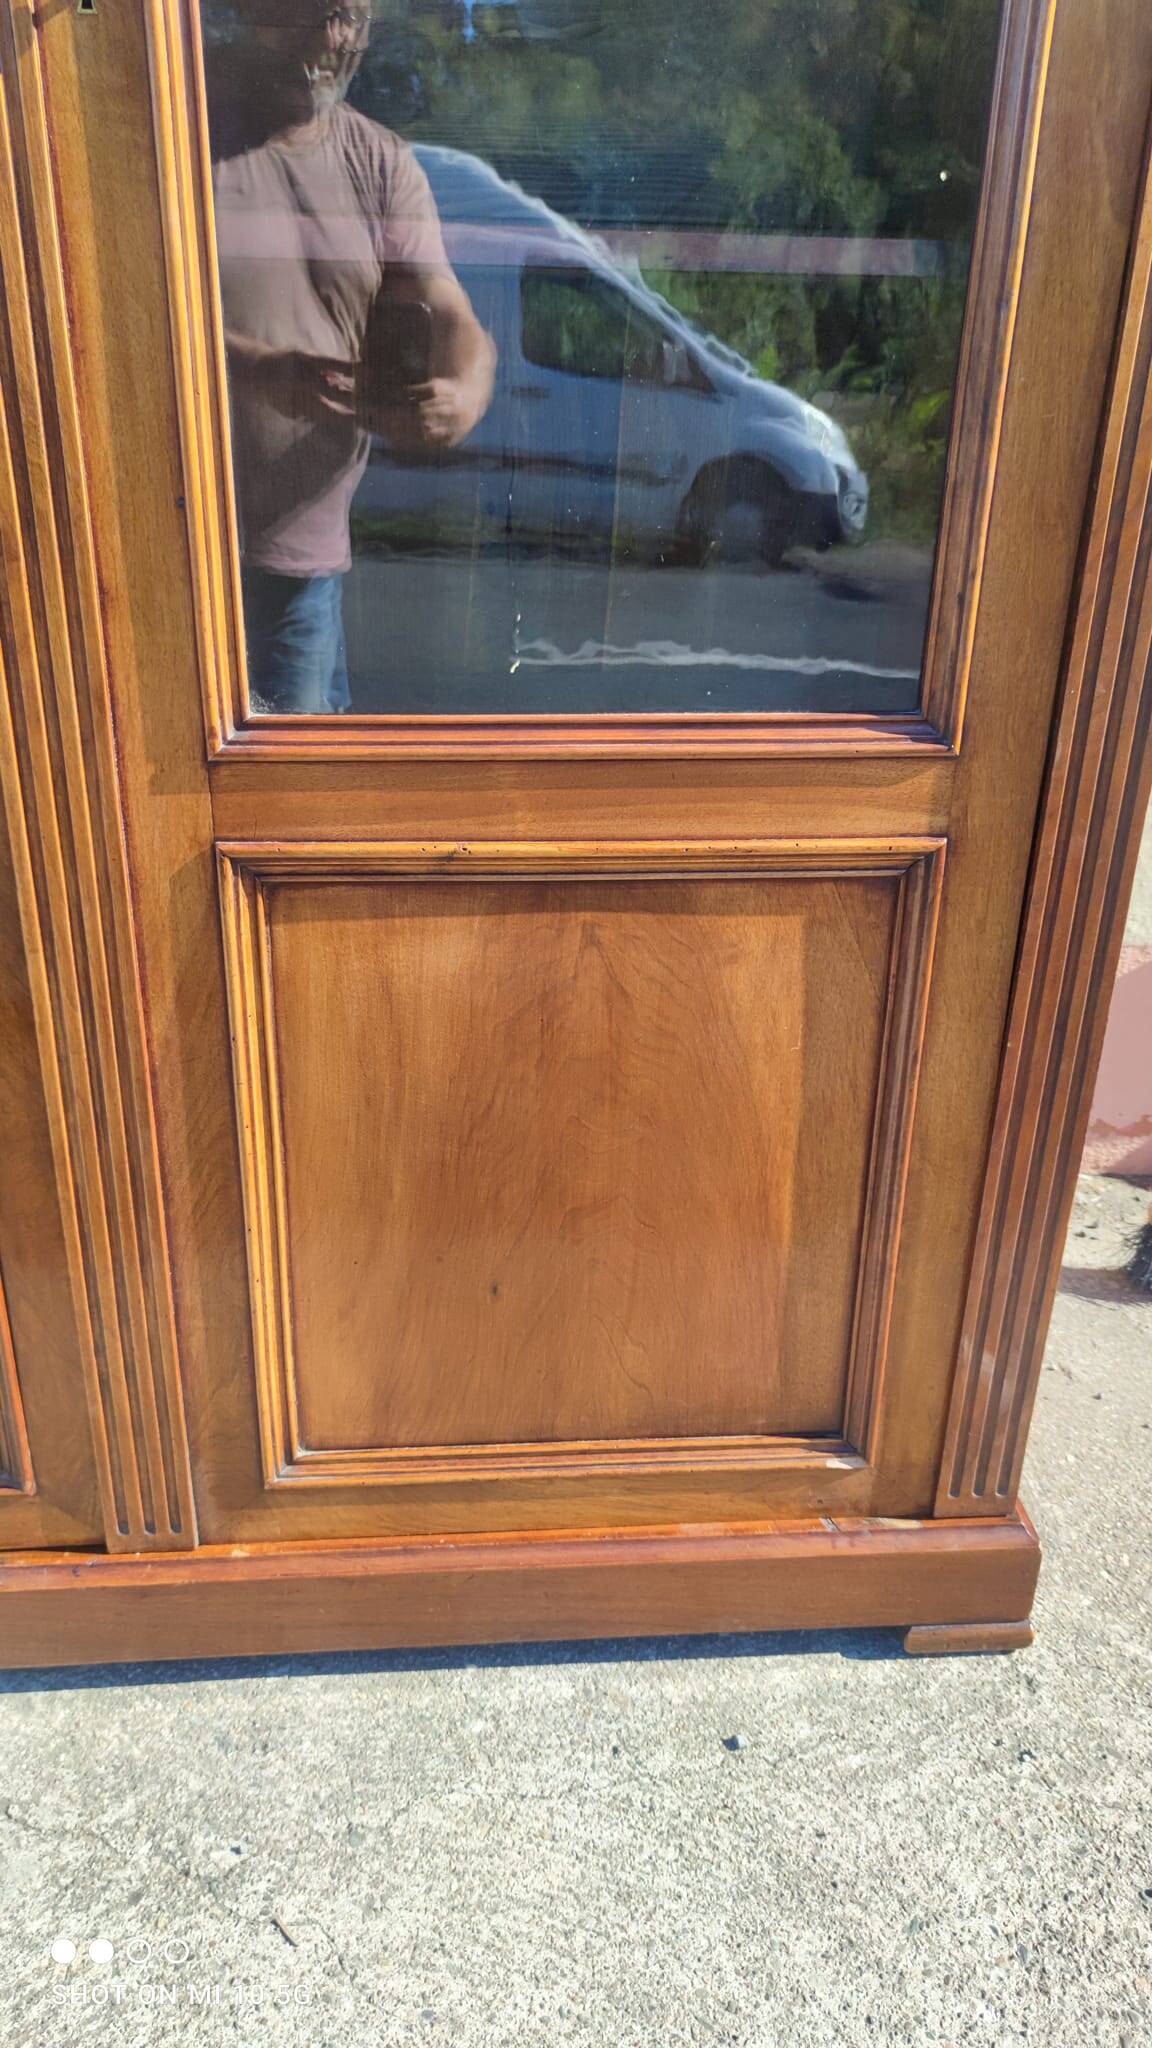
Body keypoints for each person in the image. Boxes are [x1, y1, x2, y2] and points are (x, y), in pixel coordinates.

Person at [208, 0, 495, 712]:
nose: (336, 38)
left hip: (308, 565)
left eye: (352, 15)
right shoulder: (180, 135)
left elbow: (451, 309)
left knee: (300, 801)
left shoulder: (378, 160)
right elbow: (124, 315)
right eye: (315, 9)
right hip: (190, 558)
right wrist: (259, 371)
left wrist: (464, 393)